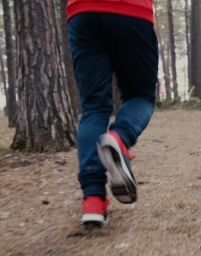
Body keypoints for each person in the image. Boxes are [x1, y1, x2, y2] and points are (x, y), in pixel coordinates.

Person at [66, 0, 158, 228]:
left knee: (94, 107)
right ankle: (119, 138)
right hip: (132, 10)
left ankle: (93, 202)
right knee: (141, 96)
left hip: (82, 11)